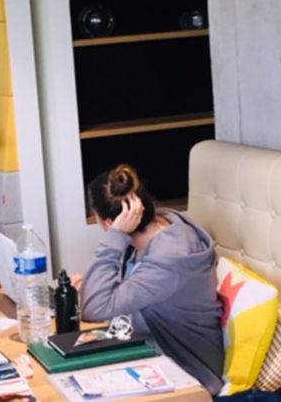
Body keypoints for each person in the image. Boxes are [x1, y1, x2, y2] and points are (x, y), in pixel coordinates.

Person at [72, 164, 224, 395]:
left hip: (188, 373)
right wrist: (96, 286)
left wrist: (115, 237)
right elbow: (138, 289)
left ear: (109, 223)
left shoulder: (170, 257)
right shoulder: (163, 225)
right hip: (149, 350)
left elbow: (94, 309)